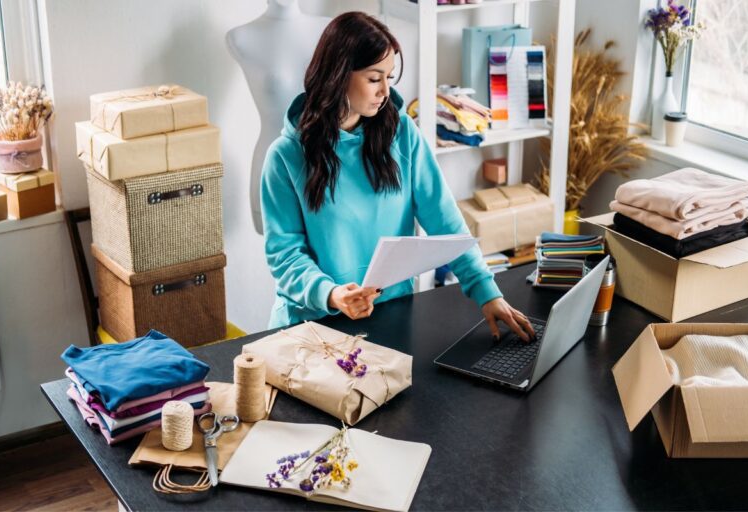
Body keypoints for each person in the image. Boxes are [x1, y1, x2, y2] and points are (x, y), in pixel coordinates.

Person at [260, 11, 535, 341]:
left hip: (390, 315)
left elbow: (445, 222)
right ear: (337, 75)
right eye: (375, 79)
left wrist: (487, 292)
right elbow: (286, 256)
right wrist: (332, 294)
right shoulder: (285, 157)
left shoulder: (402, 133)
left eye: (390, 77)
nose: (385, 91)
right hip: (313, 324)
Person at [226, 0, 330, 234]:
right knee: (282, 259)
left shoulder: (329, 30)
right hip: (273, 165)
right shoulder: (241, 37)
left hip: (327, 161)